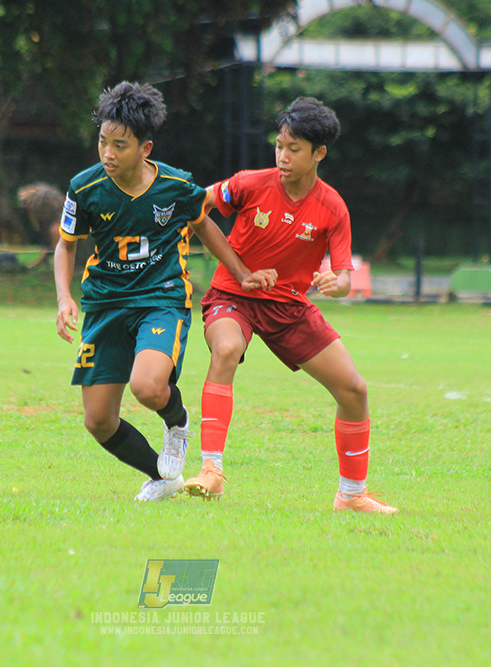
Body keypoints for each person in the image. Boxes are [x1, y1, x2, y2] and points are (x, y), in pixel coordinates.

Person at [164, 96, 397, 513]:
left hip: (290, 309)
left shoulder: (332, 208)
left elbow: (344, 275)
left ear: (319, 153)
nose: (283, 156)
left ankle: (352, 494)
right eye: (279, 146)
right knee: (226, 349)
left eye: (294, 149)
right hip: (232, 296)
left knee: (354, 390)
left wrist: (336, 283)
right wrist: (238, 270)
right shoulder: (249, 184)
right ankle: (211, 472)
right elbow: (195, 206)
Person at [54, 82, 276, 502]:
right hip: (103, 304)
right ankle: (162, 476)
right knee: (98, 421)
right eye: (102, 141)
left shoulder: (175, 185)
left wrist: (242, 272)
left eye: (120, 145)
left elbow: (204, 223)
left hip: (161, 296)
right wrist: (65, 297)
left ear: (146, 148)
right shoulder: (84, 188)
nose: (108, 154)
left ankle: (177, 423)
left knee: (149, 387)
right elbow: (66, 245)